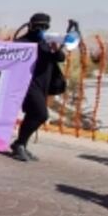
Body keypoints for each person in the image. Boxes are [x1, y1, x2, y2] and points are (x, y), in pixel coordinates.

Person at [10, 12, 66, 162]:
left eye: (45, 26)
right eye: (39, 26)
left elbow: (60, 58)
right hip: (28, 85)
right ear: (31, 26)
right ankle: (19, 144)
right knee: (41, 114)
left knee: (33, 115)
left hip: (43, 86)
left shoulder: (46, 44)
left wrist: (56, 49)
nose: (42, 29)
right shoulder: (22, 43)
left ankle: (21, 145)